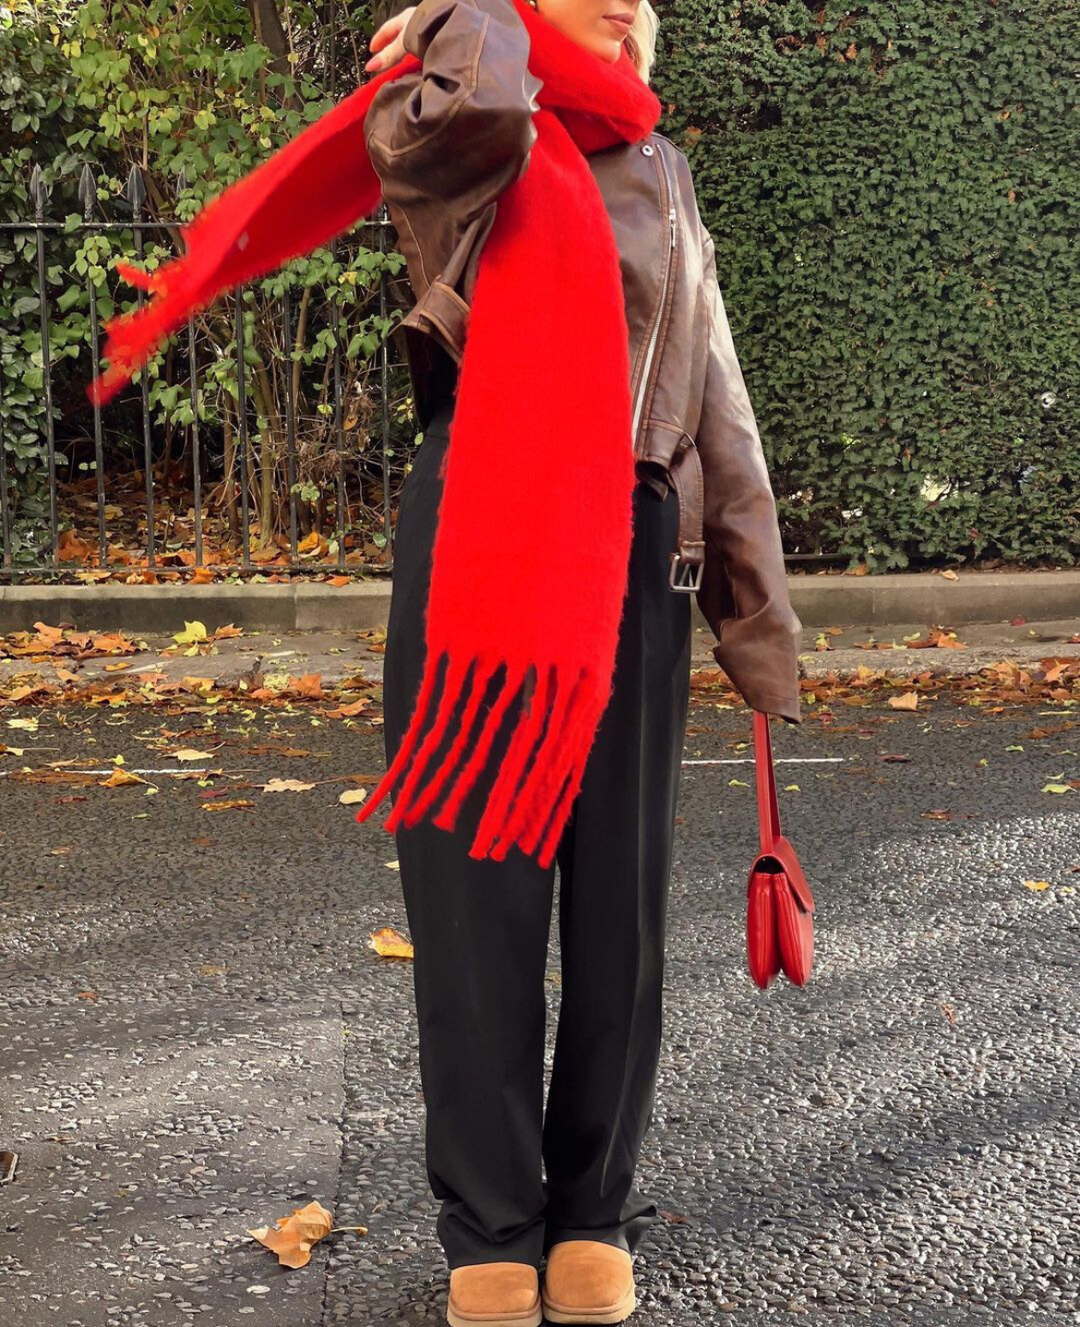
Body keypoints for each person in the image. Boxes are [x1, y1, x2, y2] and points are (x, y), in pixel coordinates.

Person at [362, 2, 803, 1324]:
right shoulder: (462, 111)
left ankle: (589, 1209)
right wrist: (470, 21)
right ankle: (490, 1223)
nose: (632, 1)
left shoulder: (665, 179)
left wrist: (758, 625)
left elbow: (718, 409)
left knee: (619, 904)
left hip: (636, 549)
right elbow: (435, 137)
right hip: (486, 524)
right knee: (473, 895)